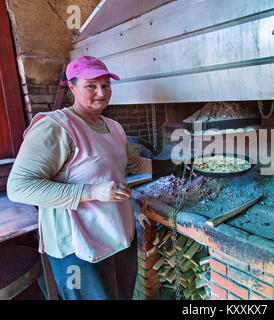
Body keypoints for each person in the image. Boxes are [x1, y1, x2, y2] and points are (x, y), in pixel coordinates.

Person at [7, 56, 180, 300]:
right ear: (72, 87)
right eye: (91, 86)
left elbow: (133, 163)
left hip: (117, 235)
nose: (101, 93)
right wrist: (92, 192)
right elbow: (19, 187)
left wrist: (175, 166)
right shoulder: (56, 127)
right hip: (78, 248)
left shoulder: (113, 127)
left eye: (106, 85)